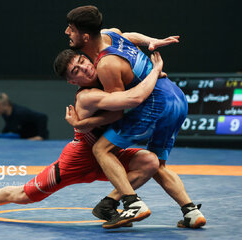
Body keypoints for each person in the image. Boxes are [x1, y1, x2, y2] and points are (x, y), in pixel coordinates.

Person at [0, 52, 164, 224]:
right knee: (23, 195)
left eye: (83, 62)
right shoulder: (88, 96)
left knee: (150, 162)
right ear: (71, 81)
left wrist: (150, 43)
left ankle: (108, 204)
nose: (84, 69)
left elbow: (113, 34)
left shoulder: (106, 78)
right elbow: (131, 100)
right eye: (75, 71)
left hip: (108, 158)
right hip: (76, 162)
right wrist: (154, 72)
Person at [64, 5, 206, 229]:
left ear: (85, 36)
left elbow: (118, 111)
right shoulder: (109, 34)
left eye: (71, 29)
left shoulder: (106, 65)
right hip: (177, 97)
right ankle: (190, 212)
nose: (67, 33)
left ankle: (132, 204)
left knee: (101, 149)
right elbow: (129, 36)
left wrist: (83, 124)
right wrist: (152, 40)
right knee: (156, 164)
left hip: (156, 103)